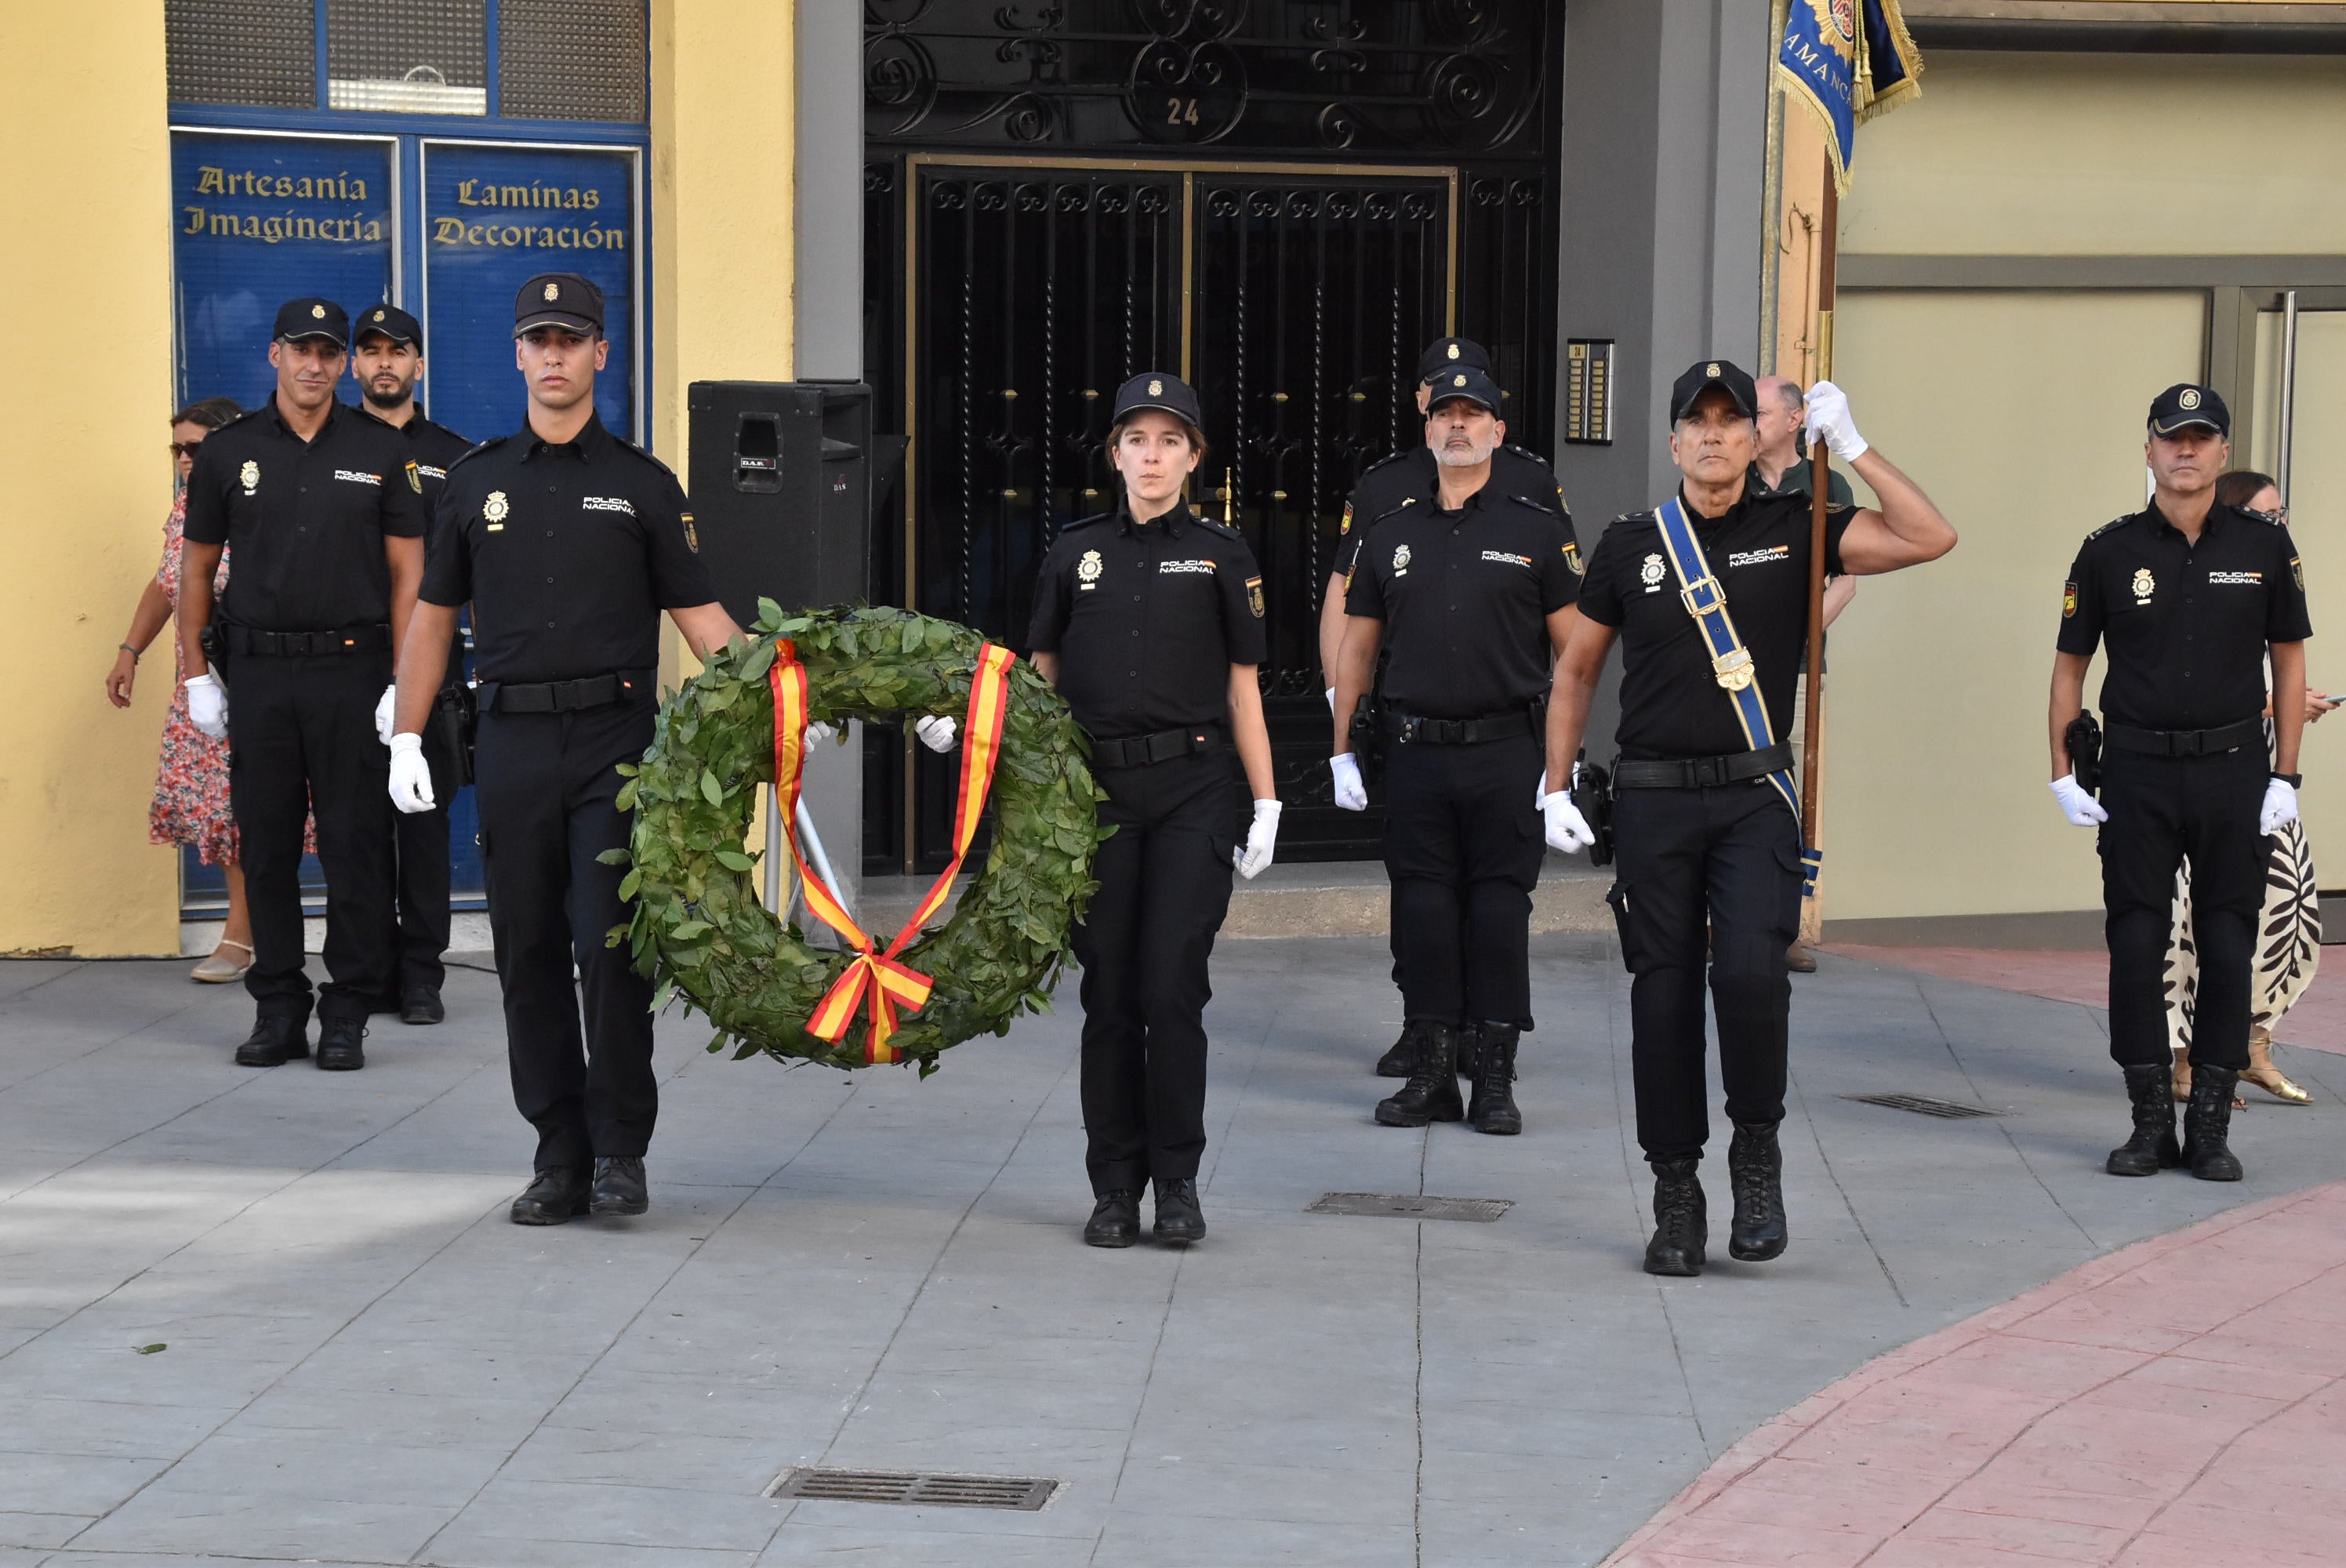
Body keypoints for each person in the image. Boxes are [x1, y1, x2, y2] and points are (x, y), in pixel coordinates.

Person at [1544, 360, 1955, 1276]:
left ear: (1755, 436)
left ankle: (1755, 1155)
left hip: (1751, 800)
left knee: (1751, 981)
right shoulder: (1629, 542)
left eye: (1734, 421)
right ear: (1675, 439)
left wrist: (1852, 448)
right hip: (1652, 799)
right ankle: (1676, 1191)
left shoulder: (1798, 527)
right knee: (1661, 996)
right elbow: (1575, 671)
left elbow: (1932, 536)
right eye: (1700, 422)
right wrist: (1554, 783)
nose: (1717, 436)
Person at [387, 272, 743, 1225]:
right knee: (529, 952)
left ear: (599, 354)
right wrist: (407, 733)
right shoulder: (473, 483)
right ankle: (557, 1152)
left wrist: (784, 698)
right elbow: (430, 619)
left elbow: (705, 620)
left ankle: (621, 1147)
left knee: (609, 944)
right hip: (507, 741)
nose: (553, 354)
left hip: (613, 747)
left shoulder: (641, 486)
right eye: (537, 338)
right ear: (516, 353)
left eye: (570, 338)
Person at [1026, 371, 1279, 1249]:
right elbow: (1041, 677)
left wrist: (1268, 800)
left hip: (1194, 788)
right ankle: (1112, 1185)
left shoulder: (1222, 554)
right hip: (1096, 795)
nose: (1153, 455)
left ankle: (1175, 1180)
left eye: (1171, 440)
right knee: (1110, 993)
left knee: (1172, 982)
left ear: (1194, 456)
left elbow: (1243, 689)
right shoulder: (1073, 551)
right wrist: (986, 738)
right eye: (1138, 439)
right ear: (1116, 453)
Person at [2047, 386, 2310, 1185]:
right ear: (2149, 450)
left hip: (2233, 769)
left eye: (2201, 439)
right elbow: (2068, 665)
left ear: (2222, 452)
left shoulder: (2265, 547)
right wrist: (2061, 772)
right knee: (2135, 941)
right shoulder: (2108, 550)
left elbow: (2290, 660)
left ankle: (2209, 1126)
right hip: (2136, 768)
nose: (2185, 451)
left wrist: (2286, 774)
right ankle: (2148, 1120)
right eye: (2172, 439)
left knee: (2228, 942)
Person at [1327, 365, 1582, 1138]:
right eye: (1446, 414)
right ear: (1428, 428)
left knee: (1500, 912)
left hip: (1506, 751)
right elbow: (1357, 648)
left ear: (1500, 432)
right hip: (1416, 754)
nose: (1459, 426)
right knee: (1425, 911)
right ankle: (1433, 1071)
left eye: (1475, 415)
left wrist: (1561, 774)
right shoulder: (1391, 533)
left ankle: (1494, 1077)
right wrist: (1342, 747)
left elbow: (1575, 657)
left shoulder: (1535, 529)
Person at [179, 299, 427, 1071]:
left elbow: (408, 571)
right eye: (301, 349)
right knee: (270, 845)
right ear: (275, 356)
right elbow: (194, 567)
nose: (314, 364)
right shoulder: (230, 452)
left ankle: (346, 1009)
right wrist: (195, 673)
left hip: (353, 672)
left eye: (328, 351)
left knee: (355, 849)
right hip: (259, 673)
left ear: (341, 362)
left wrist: (401, 679)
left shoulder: (380, 450)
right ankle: (279, 1005)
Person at [2164, 468, 2329, 1108]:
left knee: (2291, 915)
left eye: (2282, 513)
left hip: (2264, 778)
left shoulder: (2268, 578)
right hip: (2195, 776)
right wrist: (2268, 705)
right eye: (2267, 513)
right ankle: (2189, 1059)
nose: (2279, 524)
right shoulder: (2197, 577)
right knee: (2195, 923)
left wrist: (2291, 711)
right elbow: (2191, 690)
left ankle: (2252, 1048)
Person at [106, 395, 281, 983]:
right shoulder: (188, 508)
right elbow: (167, 584)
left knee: (262, 809)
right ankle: (244, 935)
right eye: (177, 448)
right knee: (220, 813)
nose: (184, 459)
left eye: (195, 448)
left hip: (258, 677)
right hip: (200, 685)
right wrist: (131, 650)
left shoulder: (263, 501)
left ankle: (254, 935)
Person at [350, 303, 472, 1025]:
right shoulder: (329, 447)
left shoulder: (455, 457)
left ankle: (422, 974)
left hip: (432, 666)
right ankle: (367, 970)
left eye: (399, 351)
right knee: (356, 828)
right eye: (371, 351)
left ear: (419, 366)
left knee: (422, 824)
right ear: (355, 365)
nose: (385, 362)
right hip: (347, 660)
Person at [1754, 373, 1857, 974]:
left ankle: (1786, 922)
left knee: (1792, 798)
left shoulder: (1823, 482)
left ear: (1795, 420)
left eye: (1760, 412)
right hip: (1728, 666)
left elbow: (1847, 577)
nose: (1748, 423)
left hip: (1793, 669)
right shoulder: (1729, 480)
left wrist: (1798, 628)